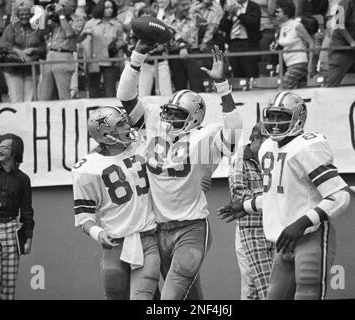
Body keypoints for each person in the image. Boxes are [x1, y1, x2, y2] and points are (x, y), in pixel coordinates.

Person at [117, 40, 242, 300]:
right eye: (169, 112)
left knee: (170, 297)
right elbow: (126, 96)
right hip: (159, 229)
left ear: (194, 118)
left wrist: (222, 87)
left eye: (177, 114)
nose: (169, 118)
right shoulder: (154, 122)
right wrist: (138, 55)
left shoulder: (203, 137)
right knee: (189, 298)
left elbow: (233, 132)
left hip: (192, 228)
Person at [218, 91, 350, 300]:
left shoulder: (308, 146)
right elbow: (279, 195)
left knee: (307, 294)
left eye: (282, 116)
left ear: (298, 119)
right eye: (271, 116)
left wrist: (302, 223)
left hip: (310, 236)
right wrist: (246, 206)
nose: (274, 122)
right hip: (284, 240)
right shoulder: (267, 147)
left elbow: (340, 197)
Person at [72, 106, 160, 300]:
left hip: (148, 238)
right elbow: (83, 217)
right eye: (120, 124)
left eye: (125, 121)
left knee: (142, 296)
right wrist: (98, 233)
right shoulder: (87, 167)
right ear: (105, 134)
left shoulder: (143, 147)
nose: (127, 126)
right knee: (115, 296)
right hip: (114, 243)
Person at [227, 122, 274, 300]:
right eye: (268, 142)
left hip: (273, 226)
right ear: (256, 139)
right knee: (254, 287)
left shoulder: (274, 156)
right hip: (250, 229)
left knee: (269, 286)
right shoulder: (239, 158)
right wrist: (271, 196)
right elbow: (238, 194)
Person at [0, 133, 35, 300]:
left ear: (14, 152)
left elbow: (27, 211)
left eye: (4, 147)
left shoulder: (23, 179)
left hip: (12, 230)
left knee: (8, 285)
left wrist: (28, 238)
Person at [0, 0, 46, 102]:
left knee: (29, 100)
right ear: (18, 15)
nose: (24, 16)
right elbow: (1, 46)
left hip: (31, 69)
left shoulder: (37, 29)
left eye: (26, 14)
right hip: (13, 69)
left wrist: (34, 50)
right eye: (21, 14)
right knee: (16, 100)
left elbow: (43, 49)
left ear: (31, 14)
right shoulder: (11, 28)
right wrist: (17, 51)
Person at [38, 0, 85, 100]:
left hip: (64, 56)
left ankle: (68, 115)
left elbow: (69, 33)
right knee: (44, 97)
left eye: (63, 6)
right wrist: (45, 16)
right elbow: (41, 34)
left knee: (64, 96)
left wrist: (61, 15)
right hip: (49, 56)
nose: (59, 7)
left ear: (73, 7)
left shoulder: (79, 19)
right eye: (59, 5)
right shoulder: (54, 18)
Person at [81, 0, 125, 98]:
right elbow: (81, 40)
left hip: (111, 61)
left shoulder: (117, 24)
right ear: (100, 8)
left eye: (111, 7)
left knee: (110, 91)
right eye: (107, 7)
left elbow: (121, 41)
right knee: (93, 91)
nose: (110, 10)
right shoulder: (90, 23)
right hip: (94, 61)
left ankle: (110, 113)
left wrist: (118, 46)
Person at [274, 0, 315, 89]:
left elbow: (311, 42)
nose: (276, 14)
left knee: (282, 88)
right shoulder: (281, 27)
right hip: (289, 64)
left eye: (278, 12)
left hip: (299, 62)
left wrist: (311, 63)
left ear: (286, 12)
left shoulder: (296, 26)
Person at [218, 0, 261, 78]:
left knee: (251, 71)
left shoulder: (254, 7)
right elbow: (222, 27)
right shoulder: (230, 8)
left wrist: (238, 14)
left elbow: (253, 23)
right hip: (233, 44)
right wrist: (230, 17)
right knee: (237, 72)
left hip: (249, 44)